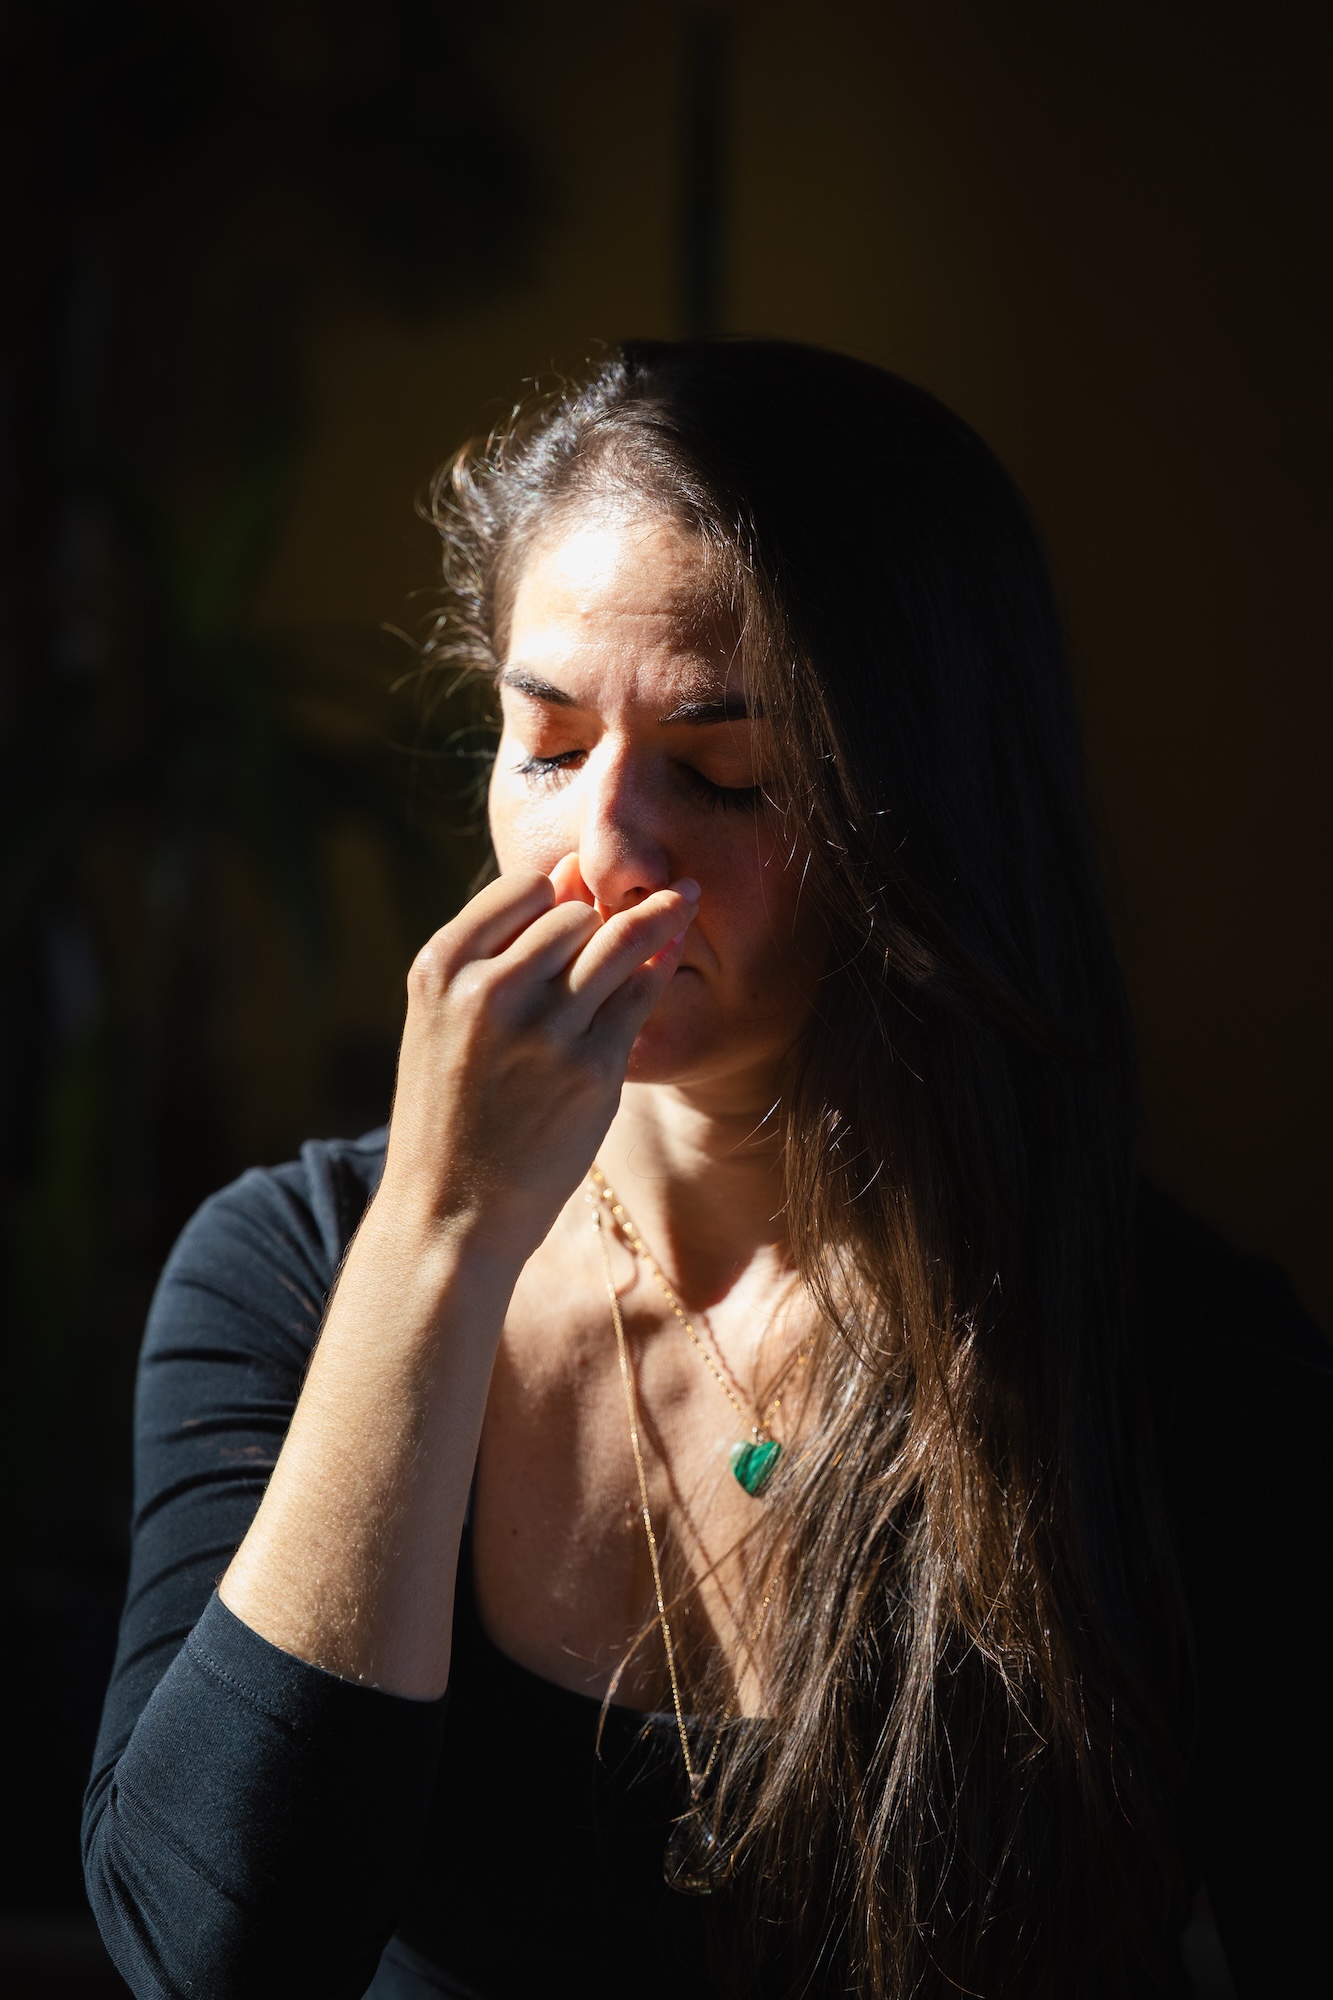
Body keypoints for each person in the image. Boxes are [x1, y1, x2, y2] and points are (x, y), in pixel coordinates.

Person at [83, 341, 1328, 2000]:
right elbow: (209, 1958)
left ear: (926, 809)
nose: (601, 852)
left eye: (724, 772)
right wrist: (440, 1242)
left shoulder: (1175, 1370)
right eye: (545, 747)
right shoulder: (294, 1270)